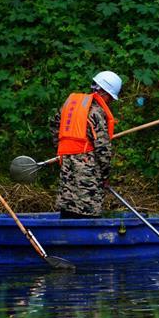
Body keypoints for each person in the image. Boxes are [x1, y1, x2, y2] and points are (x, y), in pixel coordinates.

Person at [49, 71, 122, 218]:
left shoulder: (71, 105)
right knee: (87, 211)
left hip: (66, 165)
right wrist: (105, 174)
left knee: (68, 208)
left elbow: (54, 124)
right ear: (104, 93)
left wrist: (62, 148)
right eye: (110, 98)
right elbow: (103, 150)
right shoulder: (96, 112)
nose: (110, 102)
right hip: (88, 170)